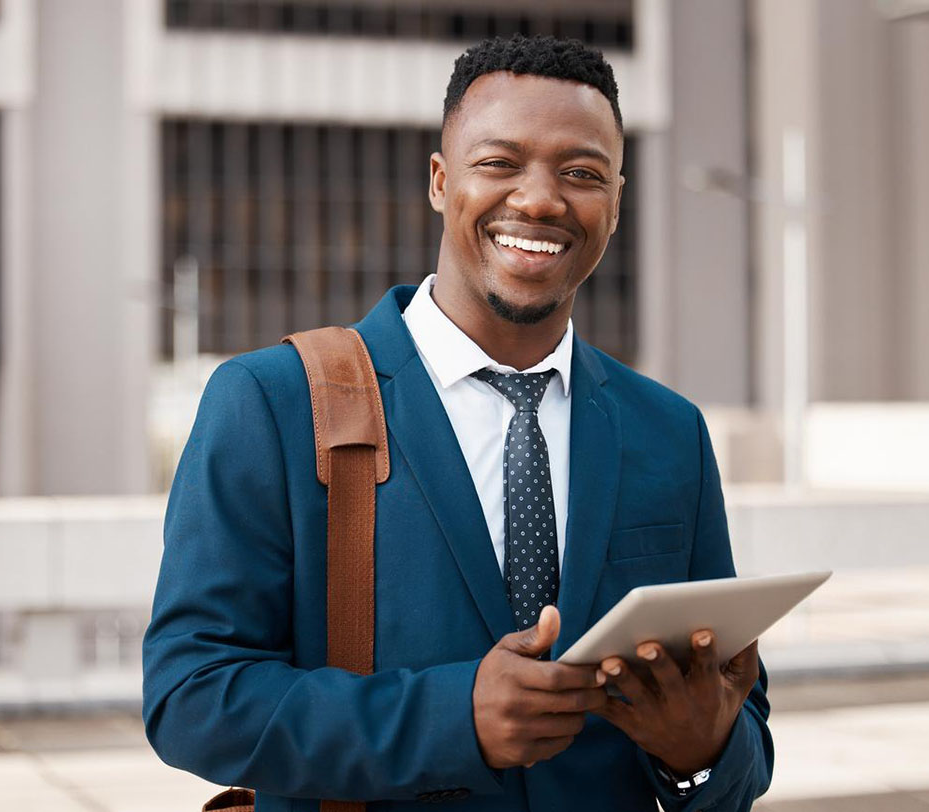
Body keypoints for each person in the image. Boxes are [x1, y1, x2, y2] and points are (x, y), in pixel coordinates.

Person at [143, 35, 772, 812]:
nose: (540, 200)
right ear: (442, 182)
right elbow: (191, 698)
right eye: (500, 163)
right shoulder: (271, 402)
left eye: (581, 174)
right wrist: (451, 718)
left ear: (614, 203)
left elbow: (743, 737)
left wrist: (700, 750)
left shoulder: (669, 432)